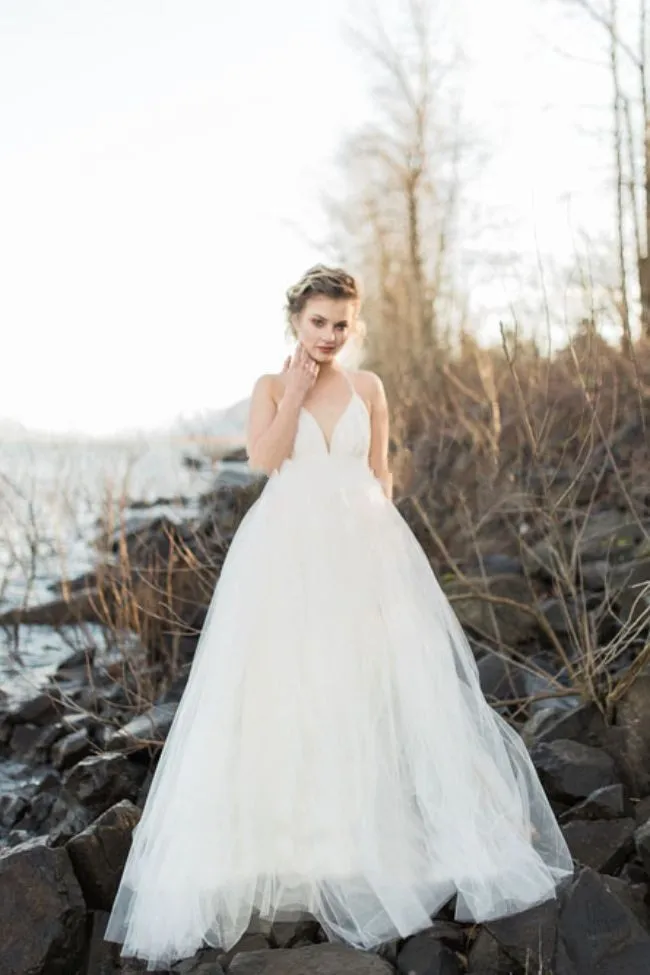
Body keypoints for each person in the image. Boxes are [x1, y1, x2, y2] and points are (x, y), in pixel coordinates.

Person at [104, 264, 574, 971]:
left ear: (354, 325)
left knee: (369, 686)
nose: (329, 335)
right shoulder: (269, 386)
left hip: (362, 547)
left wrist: (387, 558)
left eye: (341, 323)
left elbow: (380, 472)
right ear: (296, 320)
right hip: (286, 550)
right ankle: (294, 846)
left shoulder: (371, 387)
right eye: (318, 321)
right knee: (288, 688)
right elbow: (265, 459)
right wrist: (293, 392)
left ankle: (369, 835)